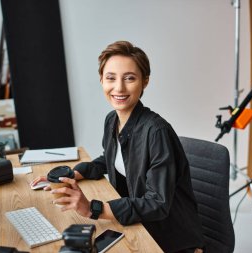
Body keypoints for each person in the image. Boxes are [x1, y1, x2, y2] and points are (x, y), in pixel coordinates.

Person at [31, 41, 204, 253]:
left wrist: (93, 208)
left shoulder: (157, 132)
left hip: (168, 237)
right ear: (102, 80)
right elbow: (110, 159)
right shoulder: (112, 120)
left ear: (145, 82)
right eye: (111, 78)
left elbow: (157, 203)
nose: (119, 88)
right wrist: (72, 174)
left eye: (129, 78)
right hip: (139, 223)